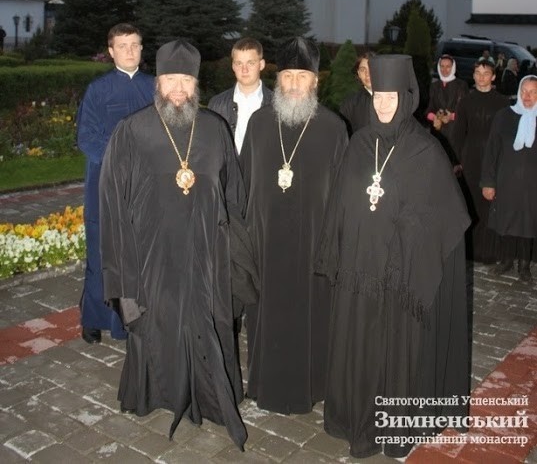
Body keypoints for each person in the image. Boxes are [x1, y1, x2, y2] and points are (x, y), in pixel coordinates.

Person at [99, 39, 253, 449]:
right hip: (153, 254)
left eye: (186, 80)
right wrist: (121, 271)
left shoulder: (215, 129)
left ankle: (211, 395)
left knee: (207, 319)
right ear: (158, 82)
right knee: (160, 321)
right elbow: (113, 203)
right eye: (171, 80)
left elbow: (234, 196)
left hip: (207, 252)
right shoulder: (132, 131)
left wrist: (237, 258)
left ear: (196, 83)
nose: (179, 89)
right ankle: (159, 392)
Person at [316, 55, 470, 460]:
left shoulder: (426, 150)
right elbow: (339, 204)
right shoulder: (359, 143)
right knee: (358, 348)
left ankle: (392, 427)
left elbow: (443, 218)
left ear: (407, 97)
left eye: (392, 97)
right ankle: (352, 418)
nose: (384, 104)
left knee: (391, 353)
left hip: (398, 277)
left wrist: (404, 235)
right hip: (357, 272)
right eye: (378, 96)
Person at [240, 37, 348, 414]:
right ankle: (264, 383)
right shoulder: (258, 124)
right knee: (266, 314)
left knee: (312, 318)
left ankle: (312, 384)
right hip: (266, 245)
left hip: (314, 246)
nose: (295, 84)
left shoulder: (334, 128)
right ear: (278, 79)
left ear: (315, 81)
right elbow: (244, 184)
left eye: (303, 76)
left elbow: (343, 196)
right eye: (288, 76)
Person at [77, 23, 154, 344]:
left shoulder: (155, 87)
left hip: (145, 186)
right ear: (111, 51)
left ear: (142, 48)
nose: (129, 51)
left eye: (134, 45)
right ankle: (94, 318)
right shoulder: (98, 90)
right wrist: (119, 164)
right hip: (104, 184)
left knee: (138, 254)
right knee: (101, 254)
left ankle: (133, 320)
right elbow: (87, 137)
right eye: (122, 46)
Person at [481, 75, 537, 283]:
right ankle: (506, 260)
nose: (527, 96)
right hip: (506, 180)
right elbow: (491, 151)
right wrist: (488, 182)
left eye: (533, 92)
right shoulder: (504, 116)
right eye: (524, 91)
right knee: (505, 220)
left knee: (528, 223)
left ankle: (524, 265)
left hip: (532, 184)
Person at [452, 60, 509, 263]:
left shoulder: (503, 102)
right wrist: (456, 161)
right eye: (477, 73)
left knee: (491, 204)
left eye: (486, 73)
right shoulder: (465, 102)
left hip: (495, 157)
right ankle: (471, 249)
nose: (481, 77)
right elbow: (458, 134)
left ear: (493, 76)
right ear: (473, 75)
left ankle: (490, 250)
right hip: (471, 157)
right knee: (471, 202)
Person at [208, 37, 272, 153]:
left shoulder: (276, 105)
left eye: (250, 63)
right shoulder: (216, 104)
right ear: (233, 66)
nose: (244, 69)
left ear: (261, 64)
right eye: (239, 63)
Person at [426, 54, 468, 161]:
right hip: (438, 133)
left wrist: (451, 116)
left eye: (448, 66)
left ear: (453, 67)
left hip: (454, 132)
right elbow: (429, 109)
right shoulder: (434, 86)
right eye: (442, 66)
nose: (445, 69)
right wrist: (434, 118)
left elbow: (465, 110)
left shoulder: (461, 85)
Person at [339, 51, 375, 135]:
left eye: (372, 68)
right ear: (358, 73)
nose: (367, 74)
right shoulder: (350, 104)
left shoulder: (394, 99)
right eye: (363, 70)